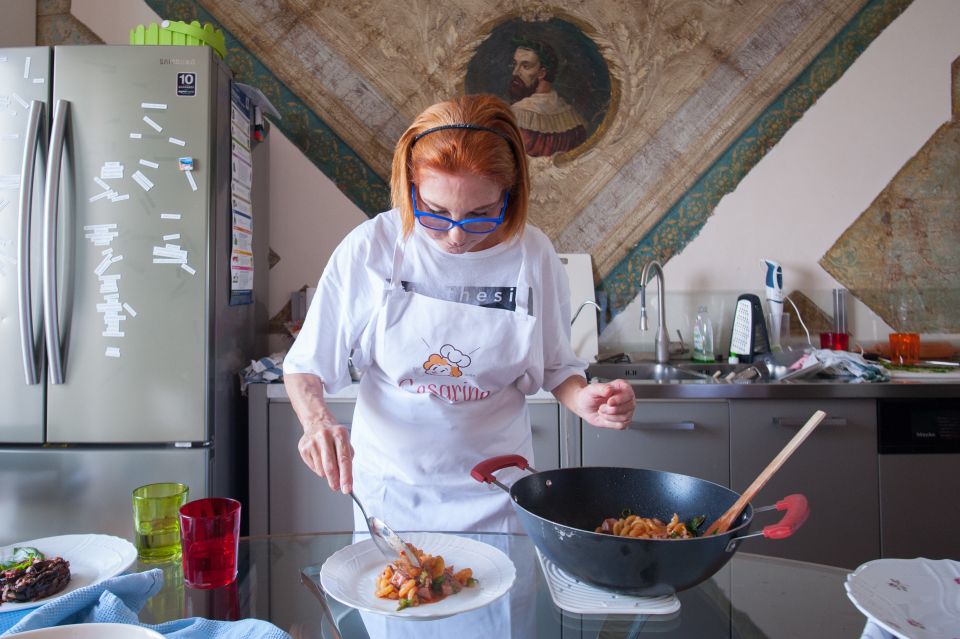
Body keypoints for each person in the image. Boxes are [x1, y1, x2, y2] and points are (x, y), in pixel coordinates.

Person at [283, 94, 634, 537]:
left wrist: (583, 399)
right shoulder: (373, 246)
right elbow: (306, 365)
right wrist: (316, 421)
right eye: (435, 212)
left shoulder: (533, 254)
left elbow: (556, 366)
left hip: (497, 491)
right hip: (392, 492)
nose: (454, 236)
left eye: (480, 215)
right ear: (410, 186)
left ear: (510, 196)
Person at [509, 40, 588, 157]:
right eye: (515, 64)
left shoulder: (518, 114)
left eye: (525, 66)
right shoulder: (572, 118)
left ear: (542, 73)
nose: (515, 72)